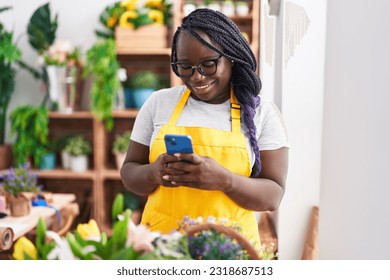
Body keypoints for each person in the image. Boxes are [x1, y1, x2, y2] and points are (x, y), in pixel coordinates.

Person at [120, 8, 289, 249]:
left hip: (230, 251)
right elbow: (129, 173)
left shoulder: (262, 112)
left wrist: (225, 180)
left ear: (230, 56)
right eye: (185, 66)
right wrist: (154, 173)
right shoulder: (159, 103)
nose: (197, 77)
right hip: (161, 247)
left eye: (208, 64)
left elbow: (273, 195)